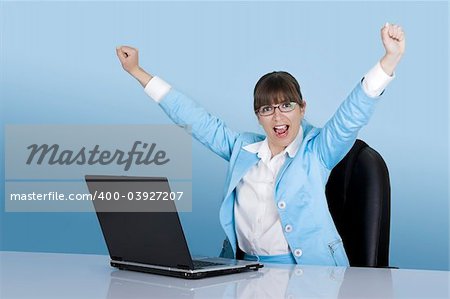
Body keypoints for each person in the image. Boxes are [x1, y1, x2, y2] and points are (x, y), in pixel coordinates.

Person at [116, 23, 405, 266]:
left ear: (302, 108)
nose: (277, 115)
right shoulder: (241, 149)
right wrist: (137, 71)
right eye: (267, 109)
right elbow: (194, 117)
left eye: (286, 106)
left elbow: (350, 116)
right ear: (258, 117)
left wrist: (388, 60)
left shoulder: (317, 151)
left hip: (309, 274)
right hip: (245, 270)